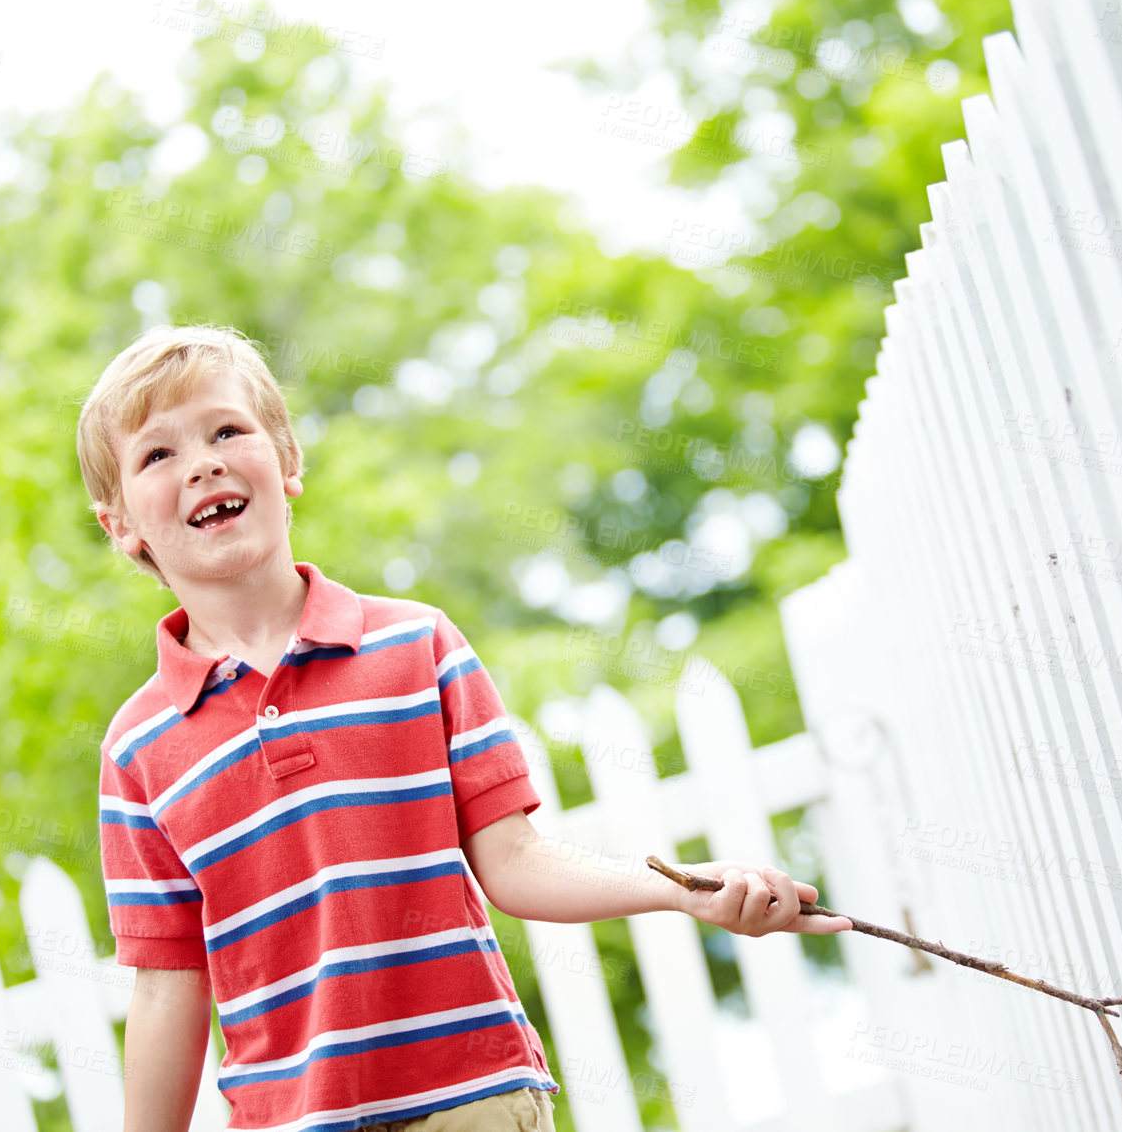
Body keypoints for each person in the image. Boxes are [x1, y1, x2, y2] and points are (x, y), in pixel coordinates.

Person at [75, 324, 851, 1132]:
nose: (202, 461)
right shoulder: (138, 749)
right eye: (156, 455)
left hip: (474, 1101)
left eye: (228, 430)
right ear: (121, 524)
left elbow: (515, 862)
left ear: (288, 460)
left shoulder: (418, 646)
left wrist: (680, 890)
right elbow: (167, 984)